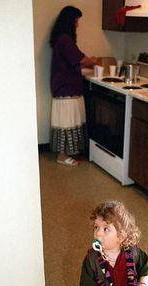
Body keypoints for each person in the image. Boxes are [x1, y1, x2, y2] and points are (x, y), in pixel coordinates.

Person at [49, 6, 96, 166]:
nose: (77, 25)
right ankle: (62, 155)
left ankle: (67, 152)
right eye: (76, 21)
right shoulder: (65, 40)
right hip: (65, 88)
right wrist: (94, 61)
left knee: (68, 120)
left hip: (65, 86)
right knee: (66, 121)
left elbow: (72, 62)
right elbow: (81, 59)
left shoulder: (61, 39)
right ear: (70, 21)